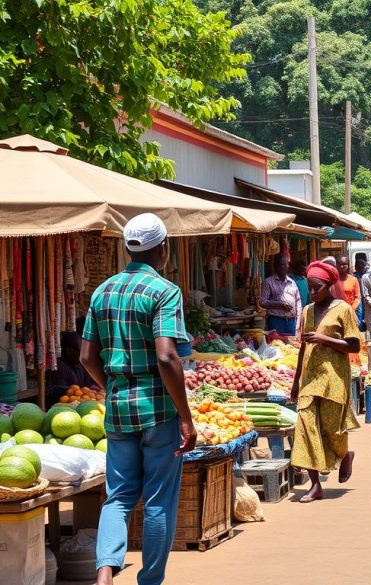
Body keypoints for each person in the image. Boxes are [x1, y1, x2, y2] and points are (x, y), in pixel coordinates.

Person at [79, 213, 196, 585]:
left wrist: (112, 385)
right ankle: (150, 580)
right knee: (159, 500)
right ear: (163, 247)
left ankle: (104, 575)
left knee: (118, 497)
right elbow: (167, 356)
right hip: (158, 408)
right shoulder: (164, 291)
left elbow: (86, 356)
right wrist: (186, 416)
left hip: (117, 408)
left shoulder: (102, 291)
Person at [290, 261, 361, 503]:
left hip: (334, 378)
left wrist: (324, 338)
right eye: (309, 288)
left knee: (332, 429)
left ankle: (345, 454)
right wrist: (296, 380)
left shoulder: (343, 310)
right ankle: (315, 484)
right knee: (306, 427)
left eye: (316, 287)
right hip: (310, 379)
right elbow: (302, 348)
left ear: (329, 285)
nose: (312, 292)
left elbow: (354, 345)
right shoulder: (307, 311)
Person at [331, 256, 363, 367]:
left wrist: (351, 309)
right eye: (341, 264)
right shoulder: (333, 280)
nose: (343, 266)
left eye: (345, 264)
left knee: (351, 338)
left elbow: (358, 297)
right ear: (336, 266)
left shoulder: (353, 280)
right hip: (336, 315)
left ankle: (353, 363)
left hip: (350, 314)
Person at [259, 254, 302, 336]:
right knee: (276, 345)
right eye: (281, 265)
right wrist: (280, 304)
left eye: (285, 264)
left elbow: (298, 302)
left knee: (291, 346)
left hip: (291, 321)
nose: (283, 267)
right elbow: (262, 302)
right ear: (275, 266)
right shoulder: (268, 282)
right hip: (275, 320)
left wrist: (298, 322)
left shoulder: (292, 282)